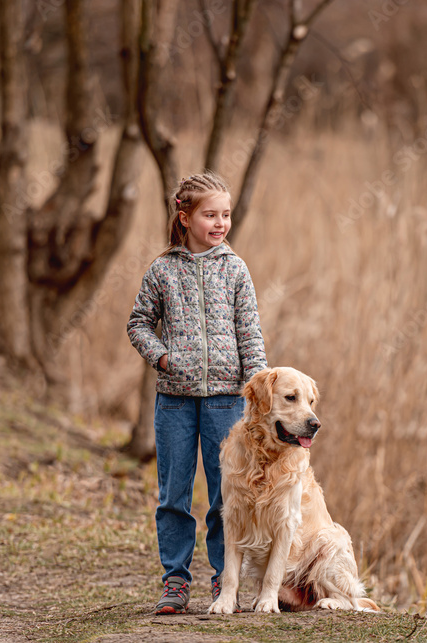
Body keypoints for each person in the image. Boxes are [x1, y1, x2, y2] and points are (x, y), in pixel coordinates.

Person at [127, 171, 267, 614]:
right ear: (185, 217)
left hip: (227, 401)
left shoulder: (236, 269)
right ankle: (174, 582)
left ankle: (224, 583)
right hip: (175, 402)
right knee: (174, 494)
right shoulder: (163, 270)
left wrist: (259, 390)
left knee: (227, 496)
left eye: (225, 214)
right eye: (210, 214)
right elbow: (138, 324)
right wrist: (164, 359)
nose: (220, 222)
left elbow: (251, 334)